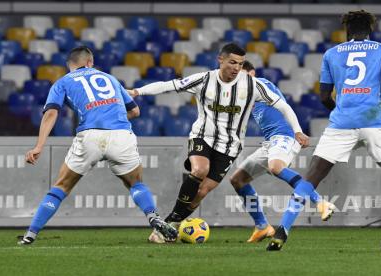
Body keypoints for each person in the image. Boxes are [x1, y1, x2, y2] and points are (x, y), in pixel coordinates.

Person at [267, 10, 381, 252]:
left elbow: (324, 96)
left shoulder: (332, 54)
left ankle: (282, 231)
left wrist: (340, 111)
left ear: (347, 30)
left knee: (312, 177)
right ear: (370, 29)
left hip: (341, 124)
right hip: (375, 122)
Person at [129, 43, 309, 243]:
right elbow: (169, 85)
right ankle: (168, 227)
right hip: (203, 137)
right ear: (220, 60)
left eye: (240, 64)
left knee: (202, 191)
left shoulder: (252, 85)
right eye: (232, 62)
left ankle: (170, 224)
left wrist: (298, 131)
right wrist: (137, 92)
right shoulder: (204, 79)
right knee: (199, 170)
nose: (236, 68)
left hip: (229, 147)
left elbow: (282, 105)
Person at [18, 46, 178, 245]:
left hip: (90, 136)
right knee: (135, 183)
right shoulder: (110, 78)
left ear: (70, 65)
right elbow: (135, 111)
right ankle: (152, 216)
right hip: (121, 135)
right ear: (90, 62)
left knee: (61, 186)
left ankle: (30, 235)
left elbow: (51, 113)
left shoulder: (63, 82)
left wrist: (38, 146)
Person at [229, 61, 335, 243]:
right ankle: (262, 226)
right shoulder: (243, 96)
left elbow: (285, 107)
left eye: (242, 74)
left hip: (285, 136)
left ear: (252, 73)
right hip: (270, 142)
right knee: (237, 180)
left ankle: (321, 202)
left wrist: (297, 131)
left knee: (276, 166)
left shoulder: (261, 84)